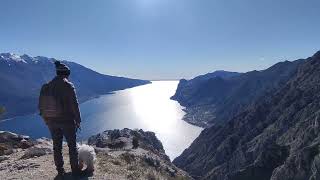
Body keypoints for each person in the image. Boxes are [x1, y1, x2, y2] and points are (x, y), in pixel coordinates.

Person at [39, 61, 82, 178]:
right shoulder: (68, 86)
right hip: (67, 121)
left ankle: (60, 171)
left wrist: (46, 119)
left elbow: (41, 106)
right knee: (72, 146)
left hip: (51, 122)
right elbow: (75, 104)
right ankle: (75, 171)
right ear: (66, 74)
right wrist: (78, 120)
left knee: (56, 147)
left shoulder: (46, 86)